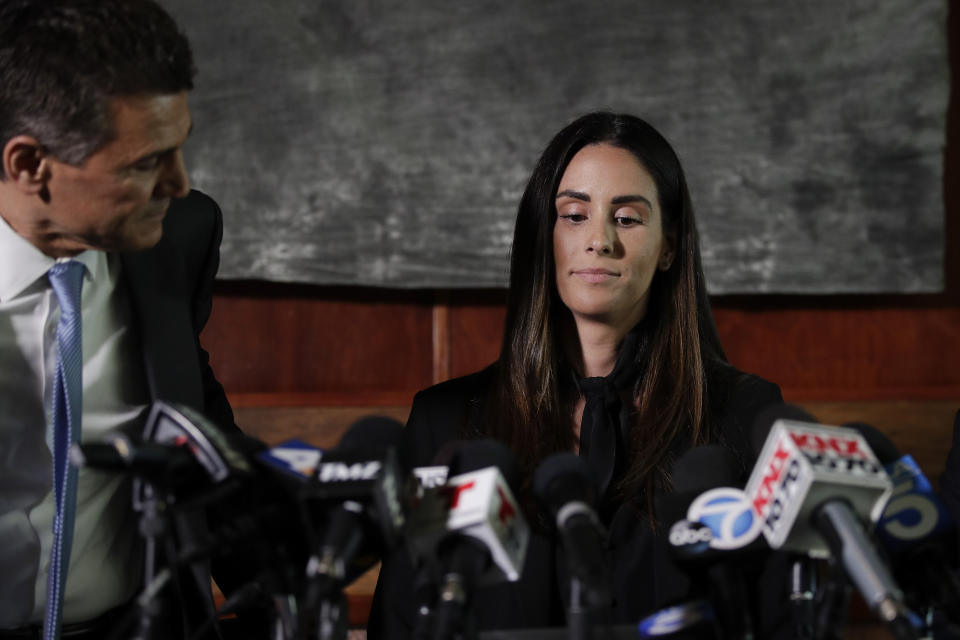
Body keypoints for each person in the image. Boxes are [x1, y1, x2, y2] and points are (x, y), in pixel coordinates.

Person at [368, 111, 788, 637]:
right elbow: (402, 623)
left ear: (670, 247)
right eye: (574, 215)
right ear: (544, 236)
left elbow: (778, 621)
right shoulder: (445, 422)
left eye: (628, 218)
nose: (600, 240)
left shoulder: (745, 414)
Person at [0, 1, 253, 638]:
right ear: (29, 165)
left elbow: (195, 429)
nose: (178, 184)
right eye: (145, 163)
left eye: (179, 149)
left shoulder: (180, 235)